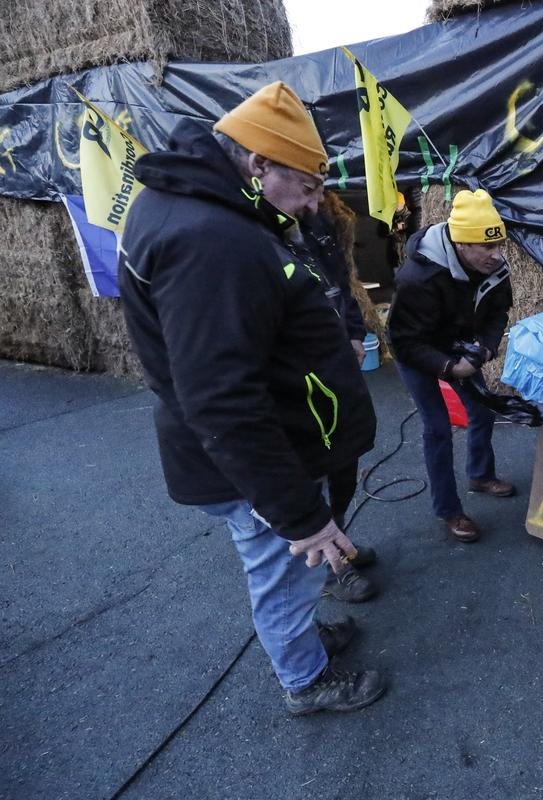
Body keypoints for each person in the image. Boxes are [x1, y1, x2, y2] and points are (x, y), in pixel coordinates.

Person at [119, 81, 386, 714]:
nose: (315, 206)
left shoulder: (200, 203)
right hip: (253, 461)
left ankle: (304, 644)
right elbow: (222, 399)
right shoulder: (212, 240)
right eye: (309, 187)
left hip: (254, 448)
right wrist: (301, 514)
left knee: (286, 570)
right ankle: (305, 680)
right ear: (260, 162)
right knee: (282, 565)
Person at [387, 189, 516, 544]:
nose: (497, 255)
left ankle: (480, 474)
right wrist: (447, 367)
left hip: (459, 345)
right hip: (416, 351)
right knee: (437, 428)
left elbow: (498, 312)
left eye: (500, 244)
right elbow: (401, 340)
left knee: (483, 410)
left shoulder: (495, 267)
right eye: (487, 248)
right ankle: (449, 510)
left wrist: (486, 349)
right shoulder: (417, 277)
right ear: (461, 244)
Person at [301, 201, 380, 603]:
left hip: (336, 372)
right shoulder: (254, 235)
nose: (312, 198)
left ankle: (340, 540)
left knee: (345, 464)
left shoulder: (321, 225)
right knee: (309, 477)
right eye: (305, 187)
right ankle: (332, 567)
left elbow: (343, 289)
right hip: (300, 383)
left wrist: (352, 333)